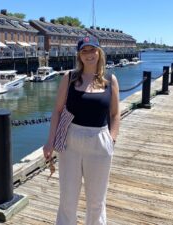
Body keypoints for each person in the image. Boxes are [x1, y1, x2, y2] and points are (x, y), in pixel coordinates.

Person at [43, 35, 120, 225]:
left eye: (92, 50)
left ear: (99, 52)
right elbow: (58, 111)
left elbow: (115, 114)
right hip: (71, 141)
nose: (89, 54)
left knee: (96, 201)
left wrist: (112, 139)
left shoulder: (110, 80)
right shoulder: (69, 78)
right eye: (84, 51)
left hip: (100, 141)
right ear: (79, 55)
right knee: (68, 199)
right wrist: (50, 142)